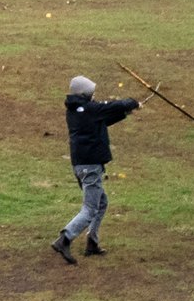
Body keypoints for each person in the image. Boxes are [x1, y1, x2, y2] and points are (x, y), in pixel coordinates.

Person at [55, 74, 139, 264]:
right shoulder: (90, 109)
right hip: (91, 166)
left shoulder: (76, 110)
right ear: (85, 93)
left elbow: (102, 119)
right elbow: (112, 107)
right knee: (91, 208)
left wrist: (125, 113)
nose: (94, 95)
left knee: (101, 203)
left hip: (80, 165)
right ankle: (65, 239)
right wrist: (132, 103)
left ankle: (92, 242)